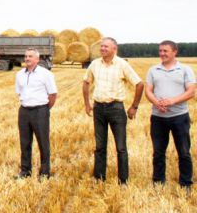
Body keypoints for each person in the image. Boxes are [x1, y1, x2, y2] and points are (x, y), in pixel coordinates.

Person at [82, 37, 143, 184]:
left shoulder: (122, 64)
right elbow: (86, 82)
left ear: (114, 49)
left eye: (106, 47)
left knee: (121, 147)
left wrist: (134, 106)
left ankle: (123, 180)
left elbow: (139, 84)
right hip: (99, 108)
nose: (102, 49)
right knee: (100, 146)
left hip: (116, 108)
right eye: (101, 46)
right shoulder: (95, 64)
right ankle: (99, 178)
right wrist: (87, 104)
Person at [144, 40, 195, 189]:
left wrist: (172, 101)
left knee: (184, 152)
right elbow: (148, 90)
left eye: (165, 51)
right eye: (160, 51)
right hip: (158, 118)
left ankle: (186, 183)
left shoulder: (185, 69)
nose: (162, 54)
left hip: (180, 117)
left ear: (174, 52)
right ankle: (158, 182)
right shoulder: (153, 70)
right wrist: (157, 103)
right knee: (158, 152)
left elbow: (191, 92)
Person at [14, 48, 57, 178]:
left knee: (43, 142)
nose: (27, 58)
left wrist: (44, 109)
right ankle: (25, 171)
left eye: (30, 56)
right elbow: (19, 92)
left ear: (37, 59)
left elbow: (53, 94)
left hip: (40, 111)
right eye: (26, 56)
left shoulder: (45, 74)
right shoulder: (19, 74)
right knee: (24, 142)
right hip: (24, 111)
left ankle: (44, 172)